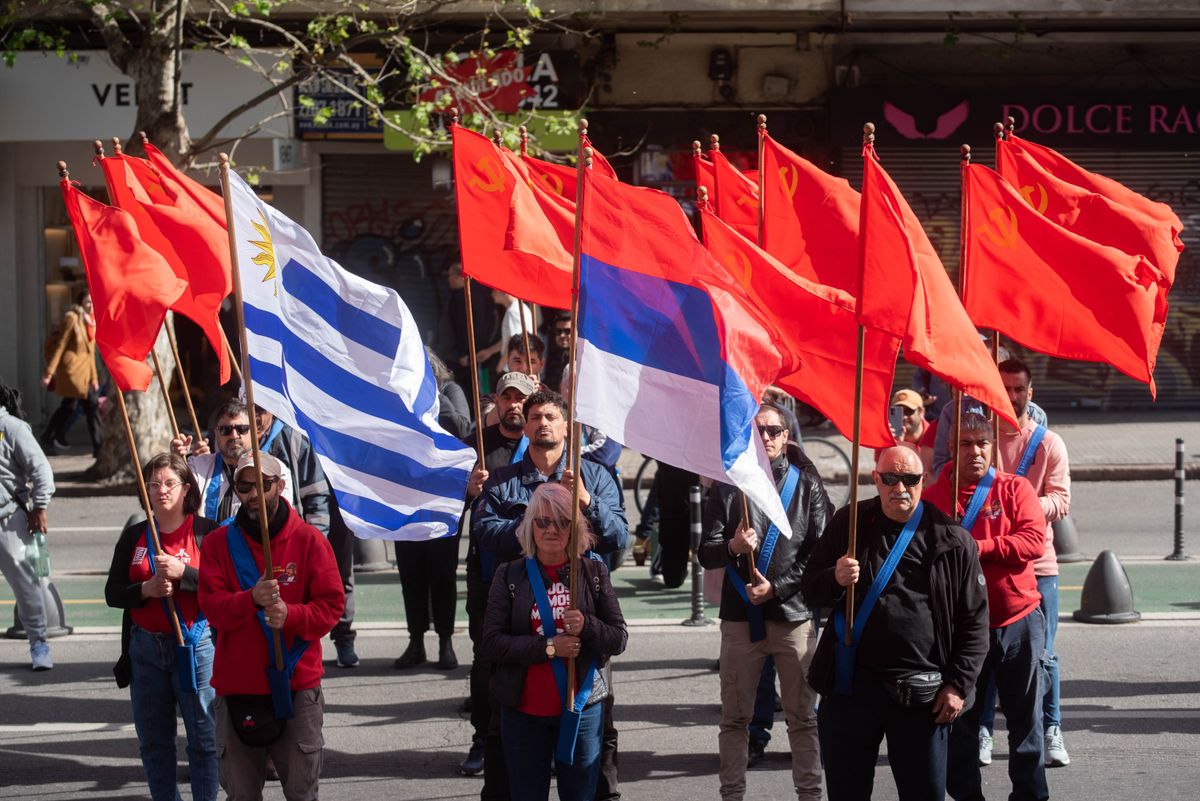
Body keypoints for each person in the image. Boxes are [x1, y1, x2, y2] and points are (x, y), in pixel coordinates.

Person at [801, 446, 989, 801]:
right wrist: (834, 579)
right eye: (890, 478)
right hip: (851, 687)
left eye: (910, 479)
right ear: (876, 479)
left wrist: (959, 685)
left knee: (924, 793)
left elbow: (975, 623)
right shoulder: (850, 523)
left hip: (922, 692)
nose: (899, 488)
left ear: (924, 481)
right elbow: (810, 590)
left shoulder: (950, 537)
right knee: (846, 792)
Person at [473, 388, 628, 801]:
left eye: (551, 417)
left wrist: (586, 504)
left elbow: (617, 534)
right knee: (505, 734)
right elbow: (484, 531)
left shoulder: (594, 474)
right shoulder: (503, 478)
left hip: (585, 622)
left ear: (566, 426)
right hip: (519, 612)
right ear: (524, 426)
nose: (543, 423)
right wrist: (538, 527)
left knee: (599, 728)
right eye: (535, 416)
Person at [698, 402, 830, 801]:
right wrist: (734, 546)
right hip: (741, 619)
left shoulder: (808, 486)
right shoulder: (728, 486)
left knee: (803, 718)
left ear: (787, 437)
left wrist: (778, 588)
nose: (767, 438)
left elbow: (819, 553)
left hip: (793, 617)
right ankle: (732, 795)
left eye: (774, 431)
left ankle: (809, 794)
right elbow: (707, 552)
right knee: (734, 719)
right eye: (759, 432)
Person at [198, 451, 345, 801]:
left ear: (279, 486)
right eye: (243, 486)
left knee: (301, 793)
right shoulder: (218, 543)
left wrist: (290, 615)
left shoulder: (309, 540)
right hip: (237, 687)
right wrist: (250, 599)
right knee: (241, 796)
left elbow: (331, 607)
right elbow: (212, 609)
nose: (252, 494)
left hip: (295, 687)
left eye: (262, 485)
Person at [924, 413, 1050, 801]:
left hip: (1017, 622)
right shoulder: (931, 497)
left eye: (982, 443)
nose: (975, 451)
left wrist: (979, 548)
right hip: (959, 631)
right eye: (965, 443)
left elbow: (1033, 542)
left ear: (993, 447)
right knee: (958, 725)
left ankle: (1030, 795)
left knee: (1026, 724)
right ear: (950, 448)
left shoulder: (1016, 488)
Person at [104, 452, 218, 801]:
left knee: (203, 739)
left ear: (187, 488)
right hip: (145, 649)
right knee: (154, 741)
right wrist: (145, 590)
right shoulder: (136, 534)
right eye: (154, 484)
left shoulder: (207, 533)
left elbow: (223, 588)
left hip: (195, 646)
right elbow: (113, 593)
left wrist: (184, 575)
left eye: (169, 483)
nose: (161, 490)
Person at [978, 359, 1072, 769]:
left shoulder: (1048, 444)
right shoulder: (981, 439)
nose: (1012, 396)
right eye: (1004, 388)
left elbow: (1062, 501)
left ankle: (1052, 728)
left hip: (1038, 563)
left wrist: (1020, 506)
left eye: (1019, 389)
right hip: (988, 561)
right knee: (980, 655)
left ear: (1030, 394)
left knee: (1043, 656)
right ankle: (982, 729)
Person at [458, 370, 538, 781]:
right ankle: (483, 740)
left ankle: (537, 737)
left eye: (521, 398)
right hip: (489, 572)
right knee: (486, 658)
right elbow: (446, 507)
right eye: (506, 397)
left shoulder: (542, 447)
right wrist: (466, 491)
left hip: (537, 573)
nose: (513, 405)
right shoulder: (476, 449)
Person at [249, 403, 360, 670]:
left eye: (260, 410)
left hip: (307, 529)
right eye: (248, 409)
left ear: (273, 411)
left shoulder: (295, 438)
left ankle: (343, 638)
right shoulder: (236, 439)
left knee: (335, 577)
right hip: (255, 539)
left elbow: (315, 494)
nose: (254, 417)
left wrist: (316, 539)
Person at [0, 381, 57, 670]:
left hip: (9, 521)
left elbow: (41, 469)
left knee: (27, 587)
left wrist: (41, 506)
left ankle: (39, 644)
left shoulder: (12, 428)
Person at [172, 401, 294, 525]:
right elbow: (176, 502)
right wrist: (176, 462)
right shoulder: (198, 466)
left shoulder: (277, 470)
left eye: (242, 429)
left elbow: (278, 519)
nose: (234, 435)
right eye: (226, 430)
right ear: (216, 433)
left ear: (254, 432)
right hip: (205, 543)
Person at [40, 290, 102, 457]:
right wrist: (49, 373)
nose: (90, 305)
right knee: (91, 406)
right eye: (87, 302)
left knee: (71, 407)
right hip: (72, 372)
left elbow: (91, 355)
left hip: (85, 374)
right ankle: (98, 447)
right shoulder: (72, 318)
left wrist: (94, 378)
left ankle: (48, 438)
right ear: (80, 303)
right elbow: (60, 346)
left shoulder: (92, 322)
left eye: (92, 302)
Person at [476, 291, 537, 375]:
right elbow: (510, 339)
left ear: (504, 293)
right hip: (517, 366)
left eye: (494, 291)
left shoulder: (514, 311)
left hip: (515, 368)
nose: (492, 294)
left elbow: (516, 343)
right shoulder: (517, 309)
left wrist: (501, 364)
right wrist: (489, 351)